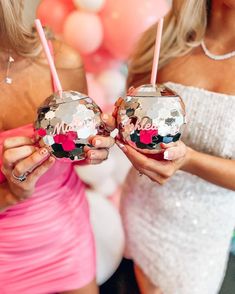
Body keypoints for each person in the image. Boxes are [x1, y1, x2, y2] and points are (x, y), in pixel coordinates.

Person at [116, 0, 235, 293]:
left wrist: (189, 160)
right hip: (140, 211)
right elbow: (132, 124)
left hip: (202, 234)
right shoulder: (163, 41)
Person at [0, 1, 114, 293]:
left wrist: (91, 152)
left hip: (64, 233)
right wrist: (10, 194)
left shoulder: (63, 62)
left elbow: (74, 154)